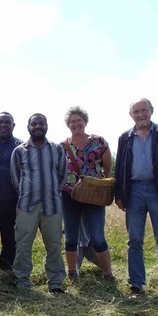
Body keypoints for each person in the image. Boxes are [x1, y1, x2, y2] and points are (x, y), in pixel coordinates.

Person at [114, 98, 158, 301]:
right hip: (134, 191)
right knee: (134, 239)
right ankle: (136, 285)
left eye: (144, 110)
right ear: (131, 115)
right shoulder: (125, 137)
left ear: (151, 111)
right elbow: (120, 168)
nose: (140, 115)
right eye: (136, 111)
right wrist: (119, 194)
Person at [10, 113, 67, 294]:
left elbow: (62, 175)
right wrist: (27, 193)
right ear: (28, 127)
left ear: (46, 126)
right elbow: (15, 178)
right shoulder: (19, 151)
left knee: (54, 244)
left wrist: (53, 191)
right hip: (27, 205)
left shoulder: (57, 149)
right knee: (23, 244)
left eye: (41, 124)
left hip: (52, 205)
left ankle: (56, 282)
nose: (37, 127)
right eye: (34, 124)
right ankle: (22, 280)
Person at [60, 106, 115, 282]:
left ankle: (108, 275)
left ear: (85, 122)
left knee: (98, 238)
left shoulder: (99, 142)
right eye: (72, 121)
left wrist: (99, 183)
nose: (76, 124)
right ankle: (72, 274)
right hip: (69, 196)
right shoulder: (62, 146)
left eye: (79, 120)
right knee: (70, 238)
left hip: (94, 196)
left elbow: (107, 167)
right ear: (68, 125)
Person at [0, 112, 23, 271]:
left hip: (12, 203)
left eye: (7, 122)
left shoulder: (21, 147)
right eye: (0, 122)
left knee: (10, 241)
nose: (3, 125)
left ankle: (6, 273)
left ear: (13, 126)